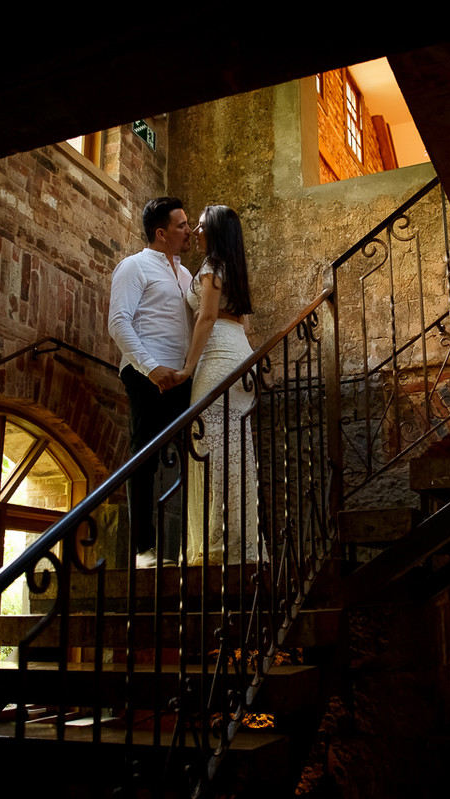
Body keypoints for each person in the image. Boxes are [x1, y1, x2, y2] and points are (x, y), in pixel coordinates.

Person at [107, 197, 193, 569]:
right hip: (147, 376)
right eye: (181, 225)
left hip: (184, 377)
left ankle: (196, 545)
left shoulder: (187, 275)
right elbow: (118, 322)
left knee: (195, 458)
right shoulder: (133, 266)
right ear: (161, 232)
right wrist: (150, 368)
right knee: (145, 456)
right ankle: (144, 549)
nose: (188, 230)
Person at [175, 205, 260, 564]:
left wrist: (187, 368)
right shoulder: (233, 268)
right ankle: (238, 542)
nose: (196, 232)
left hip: (218, 358)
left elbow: (207, 317)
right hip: (239, 354)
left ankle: (215, 544)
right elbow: (243, 324)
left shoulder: (212, 266)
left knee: (208, 446)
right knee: (233, 448)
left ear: (215, 231)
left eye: (200, 226)